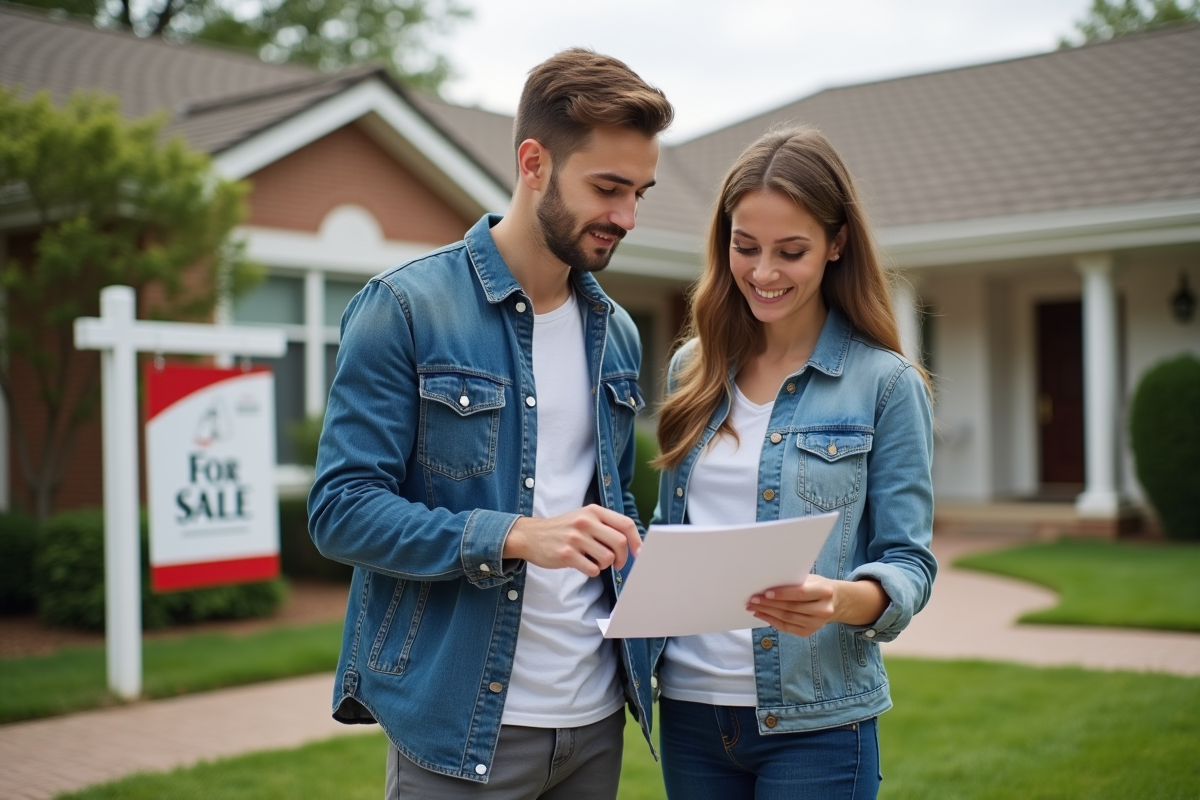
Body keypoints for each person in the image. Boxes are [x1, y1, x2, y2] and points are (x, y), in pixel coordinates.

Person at [307, 49, 673, 798]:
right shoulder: (406, 308)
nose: (626, 218)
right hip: (465, 724)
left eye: (640, 193)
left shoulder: (618, 333)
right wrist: (512, 535)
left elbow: (608, 503)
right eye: (607, 188)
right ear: (534, 162)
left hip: (597, 716)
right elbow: (340, 512)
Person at [648, 127, 937, 799]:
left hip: (818, 723)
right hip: (690, 711)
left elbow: (909, 563)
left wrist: (837, 600)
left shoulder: (886, 385)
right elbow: (674, 531)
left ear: (837, 244)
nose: (764, 272)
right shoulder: (691, 369)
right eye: (745, 247)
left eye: (792, 251)